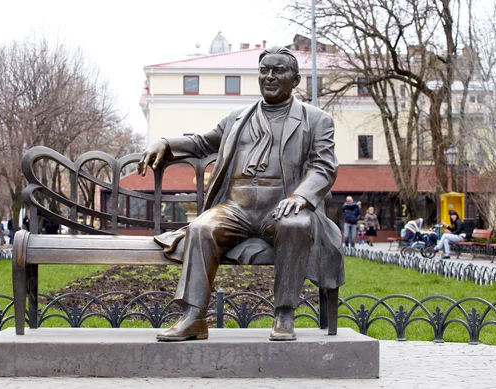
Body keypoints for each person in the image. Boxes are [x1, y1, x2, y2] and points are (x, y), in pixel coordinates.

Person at [138, 46, 343, 342]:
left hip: (282, 207)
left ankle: (284, 314)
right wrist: (166, 143)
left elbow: (324, 166)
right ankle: (194, 317)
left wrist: (300, 197)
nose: (269, 77)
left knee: (295, 225)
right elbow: (202, 143)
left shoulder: (316, 120)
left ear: (295, 80)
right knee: (201, 228)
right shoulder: (238, 117)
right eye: (264, 71)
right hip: (236, 207)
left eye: (278, 71)